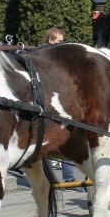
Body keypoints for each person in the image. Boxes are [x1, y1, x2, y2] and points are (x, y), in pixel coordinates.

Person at [45, 28, 75, 183]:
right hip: (49, 107)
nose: (62, 45)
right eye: (59, 42)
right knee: (46, 146)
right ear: (50, 40)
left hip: (62, 105)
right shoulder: (44, 60)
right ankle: (51, 180)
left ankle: (69, 179)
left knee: (67, 139)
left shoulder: (61, 59)